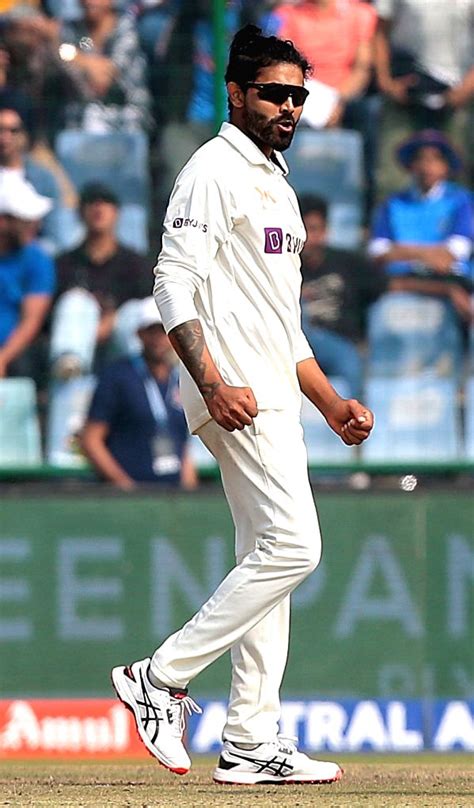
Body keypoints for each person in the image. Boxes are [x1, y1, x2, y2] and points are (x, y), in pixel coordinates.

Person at [111, 24, 374, 785]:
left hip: (275, 394)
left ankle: (251, 743)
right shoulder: (212, 169)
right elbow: (172, 281)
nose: (288, 106)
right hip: (237, 394)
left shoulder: (276, 182)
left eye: (298, 94)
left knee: (270, 560)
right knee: (296, 548)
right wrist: (212, 380)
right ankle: (160, 676)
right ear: (235, 92)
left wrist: (329, 403)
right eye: (273, 93)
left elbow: (282, 325)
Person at [262, 0, 379, 215]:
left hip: (346, 96)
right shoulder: (287, 14)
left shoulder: (361, 14)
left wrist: (338, 102)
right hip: (301, 93)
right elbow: (281, 64)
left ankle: (368, 206)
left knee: (371, 112)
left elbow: (362, 68)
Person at [81, 296, 197, 490]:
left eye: (164, 331)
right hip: (129, 499)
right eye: (152, 331)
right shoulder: (118, 377)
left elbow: (182, 444)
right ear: (139, 334)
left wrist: (190, 492)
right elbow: (91, 440)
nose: (159, 339)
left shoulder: (179, 379)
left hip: (173, 497)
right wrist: (126, 487)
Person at [368, 130, 474, 327]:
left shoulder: (462, 202)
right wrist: (432, 255)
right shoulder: (392, 204)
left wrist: (400, 251)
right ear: (411, 165)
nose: (427, 166)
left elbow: (454, 254)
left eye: (435, 159)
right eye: (421, 159)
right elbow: (378, 253)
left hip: (452, 281)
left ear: (446, 166)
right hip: (400, 282)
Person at [374, 0, 474, 197]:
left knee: (459, 172)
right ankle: (389, 225)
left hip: (457, 92)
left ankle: (462, 227)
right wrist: (386, 82)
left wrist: (468, 86)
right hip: (405, 89)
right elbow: (380, 33)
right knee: (391, 175)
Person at [52, 182, 151, 375]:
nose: (98, 208)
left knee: (135, 312)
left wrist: (110, 323)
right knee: (75, 302)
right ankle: (70, 366)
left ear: (117, 213)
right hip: (78, 344)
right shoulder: (64, 264)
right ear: (80, 213)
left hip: (124, 345)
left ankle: (144, 380)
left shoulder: (136, 264)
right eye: (91, 203)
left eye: (105, 203)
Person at [300, 193, 385, 397]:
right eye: (303, 230)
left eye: (314, 229)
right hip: (295, 339)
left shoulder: (348, 263)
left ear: (326, 231)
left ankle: (357, 418)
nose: (308, 238)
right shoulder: (281, 265)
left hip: (340, 341)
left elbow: (387, 285)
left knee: (351, 361)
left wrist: (448, 289)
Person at [57, 0, 152, 132]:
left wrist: (80, 59)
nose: (89, 2)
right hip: (81, 113)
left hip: (126, 112)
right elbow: (60, 52)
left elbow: (105, 80)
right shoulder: (75, 29)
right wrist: (89, 64)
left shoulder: (126, 27)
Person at [0, 172, 55, 381]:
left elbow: (30, 322)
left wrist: (3, 358)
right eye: (24, 219)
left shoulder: (37, 258)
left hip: (14, 354)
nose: (35, 224)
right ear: (3, 221)